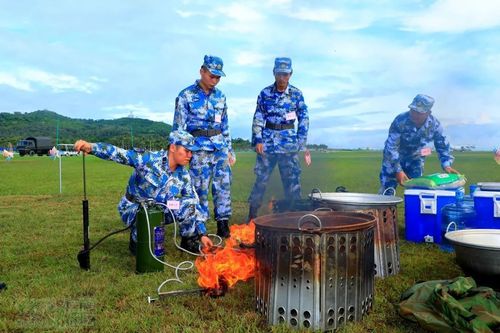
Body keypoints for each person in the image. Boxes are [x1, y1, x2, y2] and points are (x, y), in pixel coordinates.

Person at [74, 130, 213, 254]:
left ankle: (189, 240)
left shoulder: (183, 174)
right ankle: (136, 238)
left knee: (189, 202)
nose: (190, 155)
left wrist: (202, 234)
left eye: (192, 151)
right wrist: (91, 147)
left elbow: (193, 204)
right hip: (134, 208)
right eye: (186, 150)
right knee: (146, 245)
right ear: (172, 148)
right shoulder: (148, 160)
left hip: (160, 208)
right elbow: (118, 153)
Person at [173, 55, 235, 238]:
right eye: (211, 75)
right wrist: (181, 151)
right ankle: (199, 225)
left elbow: (225, 126)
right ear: (202, 71)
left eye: (218, 77)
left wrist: (229, 150)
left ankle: (223, 223)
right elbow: (178, 128)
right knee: (199, 188)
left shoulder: (221, 97)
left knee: (223, 187)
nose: (215, 80)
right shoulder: (186, 95)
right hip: (198, 149)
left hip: (219, 148)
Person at [247, 57, 309, 221]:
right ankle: (252, 217)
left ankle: (294, 218)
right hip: (267, 144)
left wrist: (300, 142)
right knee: (261, 180)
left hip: (289, 145)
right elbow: (258, 117)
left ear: (291, 74)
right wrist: (258, 139)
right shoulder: (265, 93)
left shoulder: (296, 94)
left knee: (292, 182)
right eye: (279, 74)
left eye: (285, 74)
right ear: (274, 73)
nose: (282, 78)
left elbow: (304, 118)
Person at [379, 94, 460, 193]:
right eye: (413, 110)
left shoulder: (435, 125)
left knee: (417, 192)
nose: (414, 114)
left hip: (415, 161)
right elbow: (391, 147)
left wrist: (446, 165)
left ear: (428, 113)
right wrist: (398, 170)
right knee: (387, 191)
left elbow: (442, 146)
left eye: (419, 112)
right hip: (393, 160)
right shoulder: (400, 121)